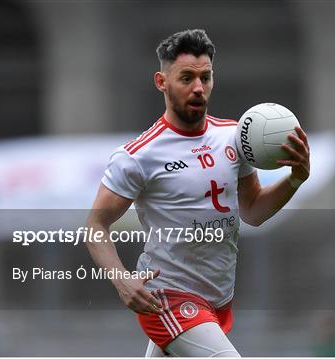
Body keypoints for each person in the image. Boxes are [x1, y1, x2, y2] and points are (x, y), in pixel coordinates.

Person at [86, 29, 310, 357]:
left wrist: (295, 179)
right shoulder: (139, 155)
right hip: (167, 298)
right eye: (187, 77)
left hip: (216, 300)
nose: (198, 88)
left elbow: (253, 211)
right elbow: (95, 225)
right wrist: (122, 280)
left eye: (205, 77)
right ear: (161, 82)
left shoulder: (235, 137)